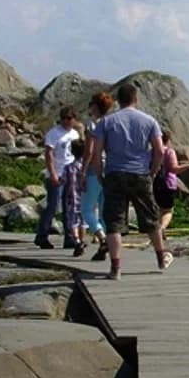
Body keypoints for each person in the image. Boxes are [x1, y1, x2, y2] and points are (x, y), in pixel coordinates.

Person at [88, 83, 174, 280]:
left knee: (114, 222)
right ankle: (161, 257)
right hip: (139, 173)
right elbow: (159, 151)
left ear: (118, 100)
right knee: (151, 219)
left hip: (114, 173)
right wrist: (152, 172)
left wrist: (99, 174)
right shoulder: (149, 121)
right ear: (136, 98)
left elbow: (96, 152)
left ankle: (116, 267)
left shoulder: (106, 122)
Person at [34, 105, 80, 249]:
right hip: (57, 172)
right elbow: (49, 154)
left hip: (70, 171)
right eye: (64, 119)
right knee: (53, 205)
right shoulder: (54, 134)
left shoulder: (75, 134)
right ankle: (42, 235)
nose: (66, 121)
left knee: (69, 206)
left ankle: (69, 237)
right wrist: (52, 173)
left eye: (69, 118)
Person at [80, 91, 113, 261]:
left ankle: (102, 238)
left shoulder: (92, 125)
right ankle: (106, 243)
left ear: (95, 106)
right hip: (110, 168)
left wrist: (83, 171)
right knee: (104, 209)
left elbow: (89, 151)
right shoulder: (112, 123)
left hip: (94, 168)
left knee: (86, 209)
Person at [153, 129, 189, 240]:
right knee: (168, 210)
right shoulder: (169, 152)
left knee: (158, 209)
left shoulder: (153, 151)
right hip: (167, 183)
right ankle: (162, 229)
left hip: (154, 183)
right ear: (168, 139)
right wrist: (188, 166)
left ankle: (160, 234)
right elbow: (174, 169)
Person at [63, 140, 85, 256]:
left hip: (72, 197)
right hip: (84, 197)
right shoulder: (85, 167)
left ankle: (76, 240)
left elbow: (64, 180)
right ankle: (82, 241)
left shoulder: (69, 167)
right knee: (82, 221)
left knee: (72, 221)